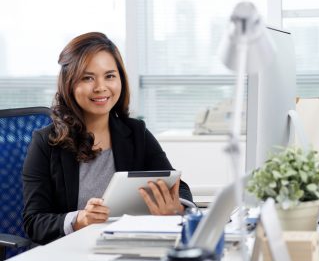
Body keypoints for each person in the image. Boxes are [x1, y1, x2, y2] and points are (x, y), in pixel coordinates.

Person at [22, 32, 192, 245]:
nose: (100, 87)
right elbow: (34, 222)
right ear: (69, 84)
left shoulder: (136, 134)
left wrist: (176, 207)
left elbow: (178, 187)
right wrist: (79, 219)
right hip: (71, 255)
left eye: (109, 76)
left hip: (128, 249)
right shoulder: (46, 142)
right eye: (87, 77)